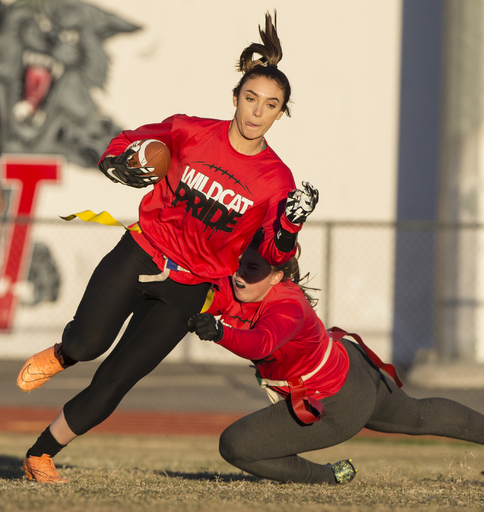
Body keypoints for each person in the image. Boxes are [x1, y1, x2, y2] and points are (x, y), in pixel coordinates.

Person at [16, 11, 319, 484]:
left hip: (193, 285)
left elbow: (273, 255)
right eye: (251, 98)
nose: (257, 111)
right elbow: (123, 144)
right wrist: (118, 161)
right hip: (144, 250)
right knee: (89, 344)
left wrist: (289, 227)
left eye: (271, 104)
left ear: (282, 112)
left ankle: (40, 455)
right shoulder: (190, 131)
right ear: (235, 98)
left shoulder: (276, 180)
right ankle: (65, 352)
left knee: (118, 379)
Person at [186, 243, 484, 485]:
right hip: (352, 365)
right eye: (240, 263)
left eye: (253, 268)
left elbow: (261, 342)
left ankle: (329, 478)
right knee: (418, 416)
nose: (239, 273)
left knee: (236, 446)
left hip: (336, 400)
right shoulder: (241, 286)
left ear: (279, 276)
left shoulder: (287, 304)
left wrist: (219, 333)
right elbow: (204, 286)